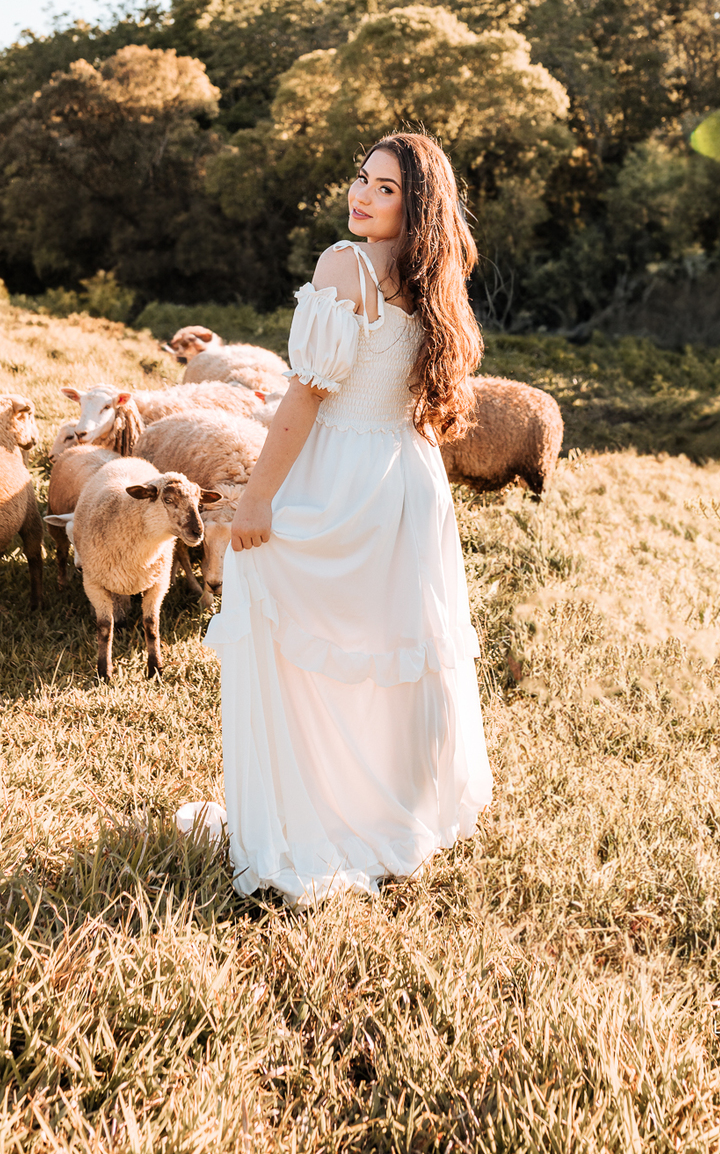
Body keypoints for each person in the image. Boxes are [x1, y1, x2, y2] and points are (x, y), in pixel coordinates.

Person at [200, 131, 494, 906]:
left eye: (386, 188)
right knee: (392, 650)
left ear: (417, 204)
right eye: (361, 177)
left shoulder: (346, 264)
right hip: (408, 479)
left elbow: (306, 393)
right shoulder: (435, 282)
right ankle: (385, 814)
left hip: (343, 474)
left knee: (284, 621)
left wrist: (257, 498)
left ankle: (308, 820)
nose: (362, 195)